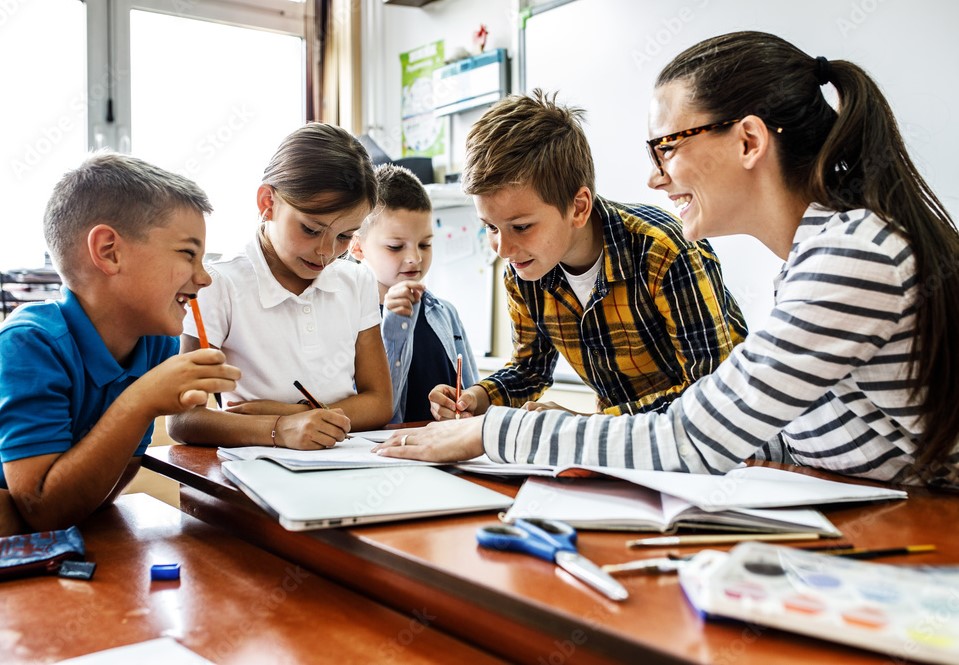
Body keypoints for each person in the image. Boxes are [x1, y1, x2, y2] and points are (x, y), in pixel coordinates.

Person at [375, 31, 959, 489]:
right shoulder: (821, 253)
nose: (655, 177)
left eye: (667, 148)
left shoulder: (850, 256)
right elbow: (781, 437)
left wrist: (491, 431)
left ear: (749, 141)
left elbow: (691, 437)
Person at [428, 90, 747, 422]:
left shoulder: (663, 250)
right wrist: (475, 398)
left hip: (729, 447)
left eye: (521, 227)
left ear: (578, 207)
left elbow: (711, 393)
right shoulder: (525, 268)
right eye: (490, 228)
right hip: (622, 445)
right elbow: (530, 369)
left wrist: (585, 425)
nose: (503, 250)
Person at [0, 152, 240, 535]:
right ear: (109, 251)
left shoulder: (157, 346)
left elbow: (92, 498)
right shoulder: (30, 342)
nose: (204, 278)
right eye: (187, 254)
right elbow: (43, 511)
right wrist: (141, 400)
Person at [167, 123, 393, 450]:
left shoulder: (357, 279)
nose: (326, 252)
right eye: (311, 229)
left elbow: (380, 403)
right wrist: (279, 428)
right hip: (252, 470)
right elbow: (184, 419)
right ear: (267, 202)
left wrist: (294, 414)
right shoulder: (218, 284)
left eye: (345, 236)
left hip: (341, 463)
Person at [350, 164, 478, 424]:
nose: (415, 258)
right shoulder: (349, 319)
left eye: (425, 244)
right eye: (396, 247)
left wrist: (466, 405)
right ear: (357, 247)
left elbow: (474, 393)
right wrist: (394, 325)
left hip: (444, 451)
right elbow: (372, 414)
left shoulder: (445, 312)